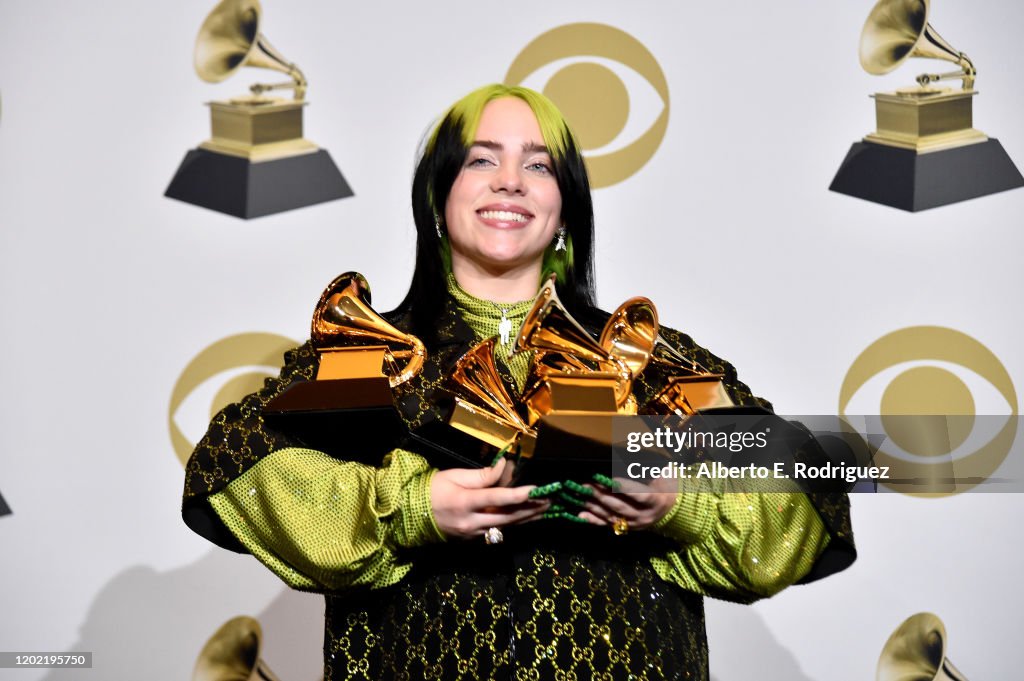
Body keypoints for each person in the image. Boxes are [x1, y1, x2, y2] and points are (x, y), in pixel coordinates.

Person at [182, 84, 855, 680]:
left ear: (566, 213)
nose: (510, 181)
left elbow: (805, 485)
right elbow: (233, 462)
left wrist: (680, 503)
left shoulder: (656, 362)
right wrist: (410, 507)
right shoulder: (360, 356)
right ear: (438, 197)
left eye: (539, 165)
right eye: (481, 160)